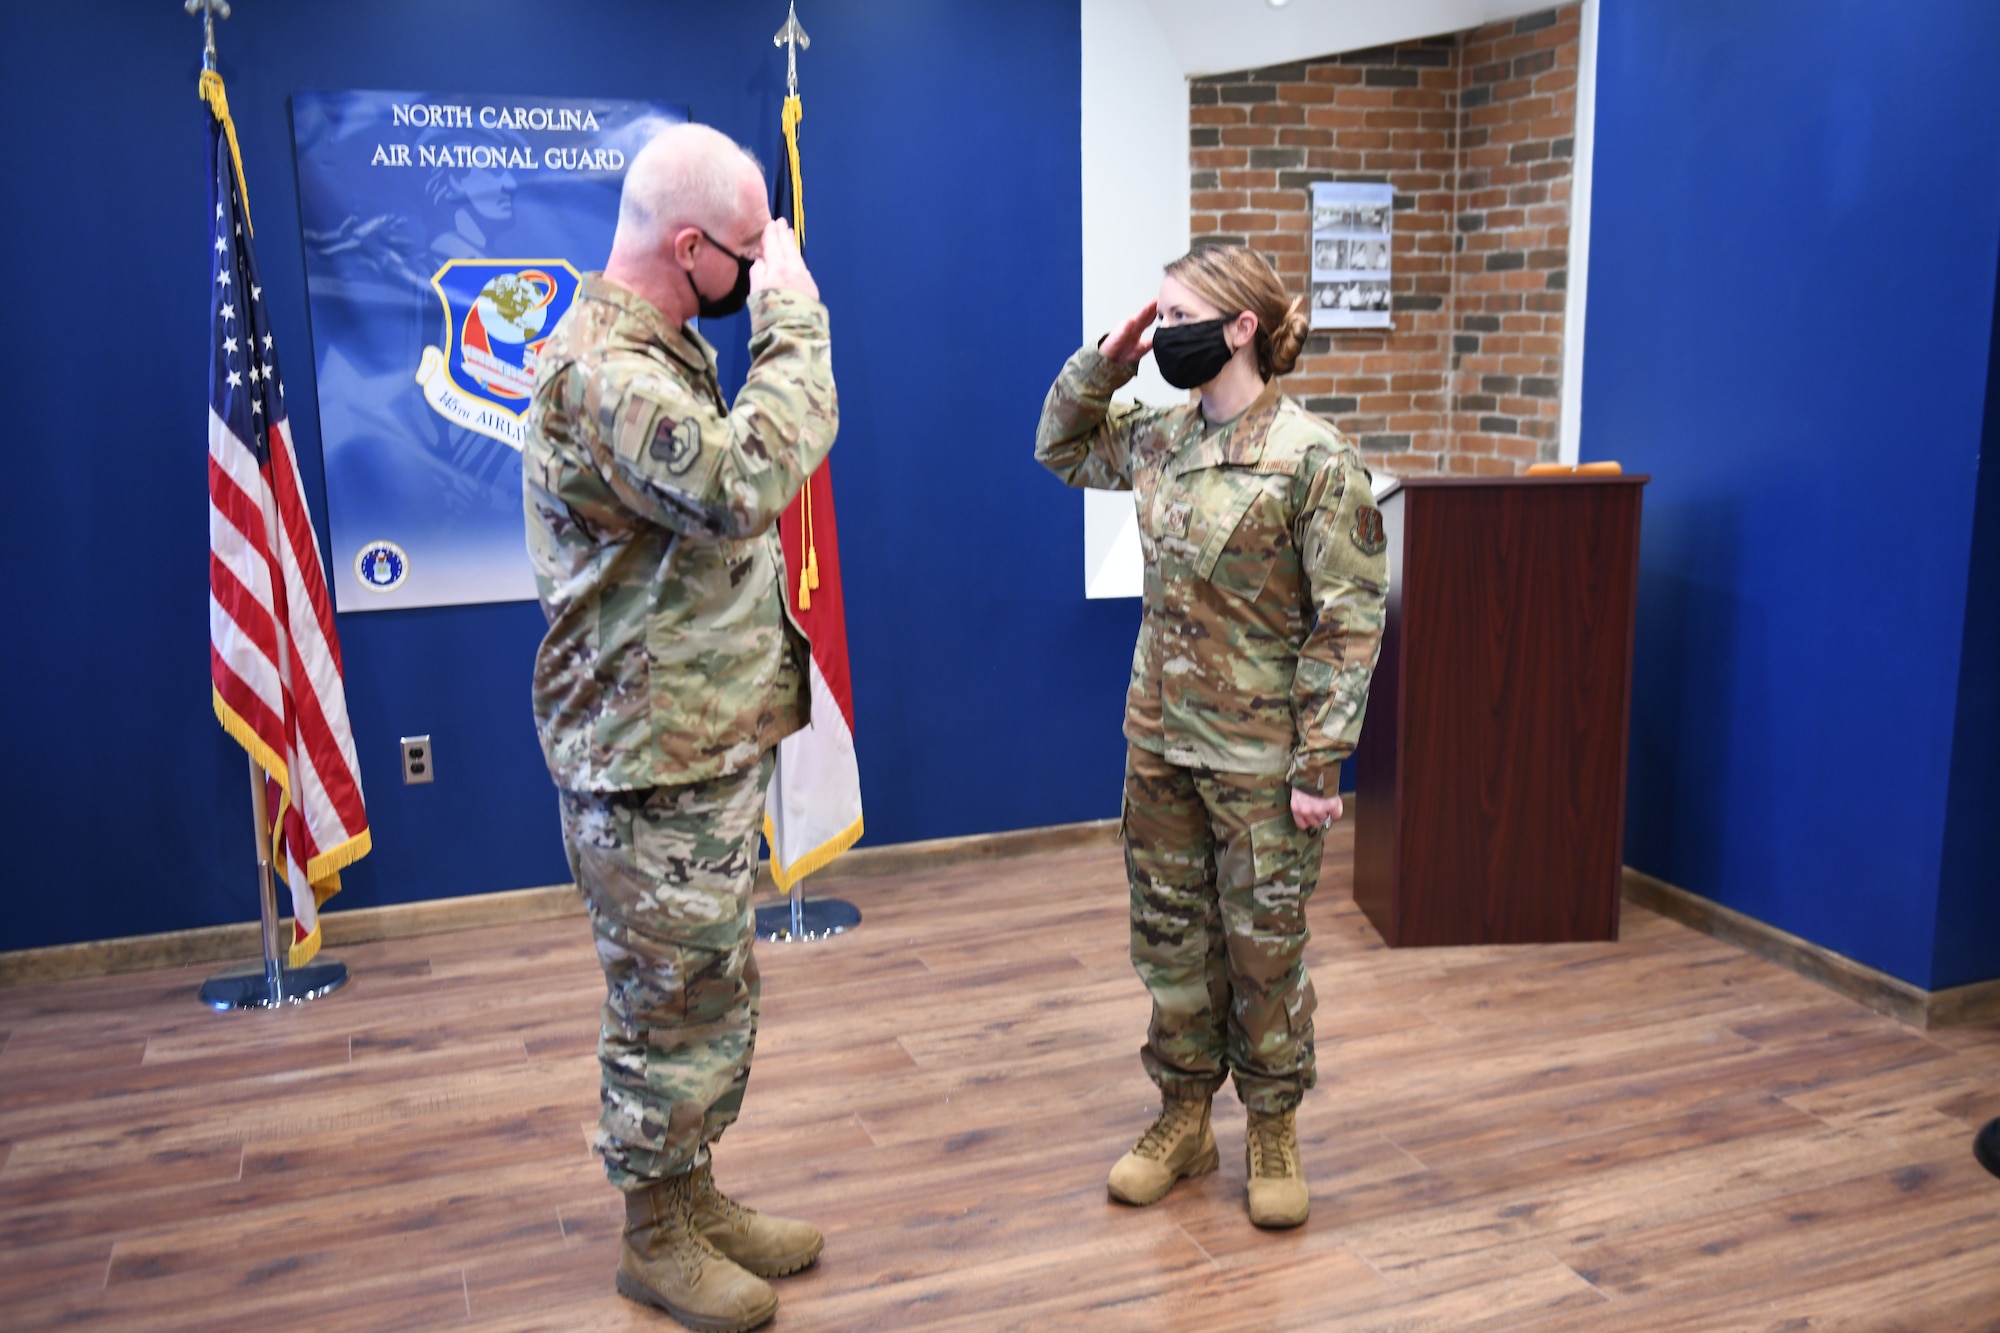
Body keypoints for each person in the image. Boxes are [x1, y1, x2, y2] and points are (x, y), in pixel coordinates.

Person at [523, 122, 836, 1332]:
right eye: (749, 255)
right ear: (690, 245)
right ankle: (652, 1234)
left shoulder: (658, 344)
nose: (762, 271)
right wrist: (795, 319)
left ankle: (693, 1196)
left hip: (692, 737)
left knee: (706, 986)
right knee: (664, 1001)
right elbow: (737, 483)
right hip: (643, 755)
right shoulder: (606, 372)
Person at [1035, 244, 1389, 1229]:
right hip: (1157, 741)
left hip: (1262, 758)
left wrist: (1321, 760)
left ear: (1239, 328)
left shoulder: (1312, 457)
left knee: (1262, 950)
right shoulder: (1157, 437)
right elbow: (1059, 449)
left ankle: (1270, 1125)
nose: (1161, 330)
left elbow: (1347, 623)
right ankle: (1182, 1117)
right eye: (1155, 313)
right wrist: (1104, 360)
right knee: (1171, 945)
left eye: (1177, 312)